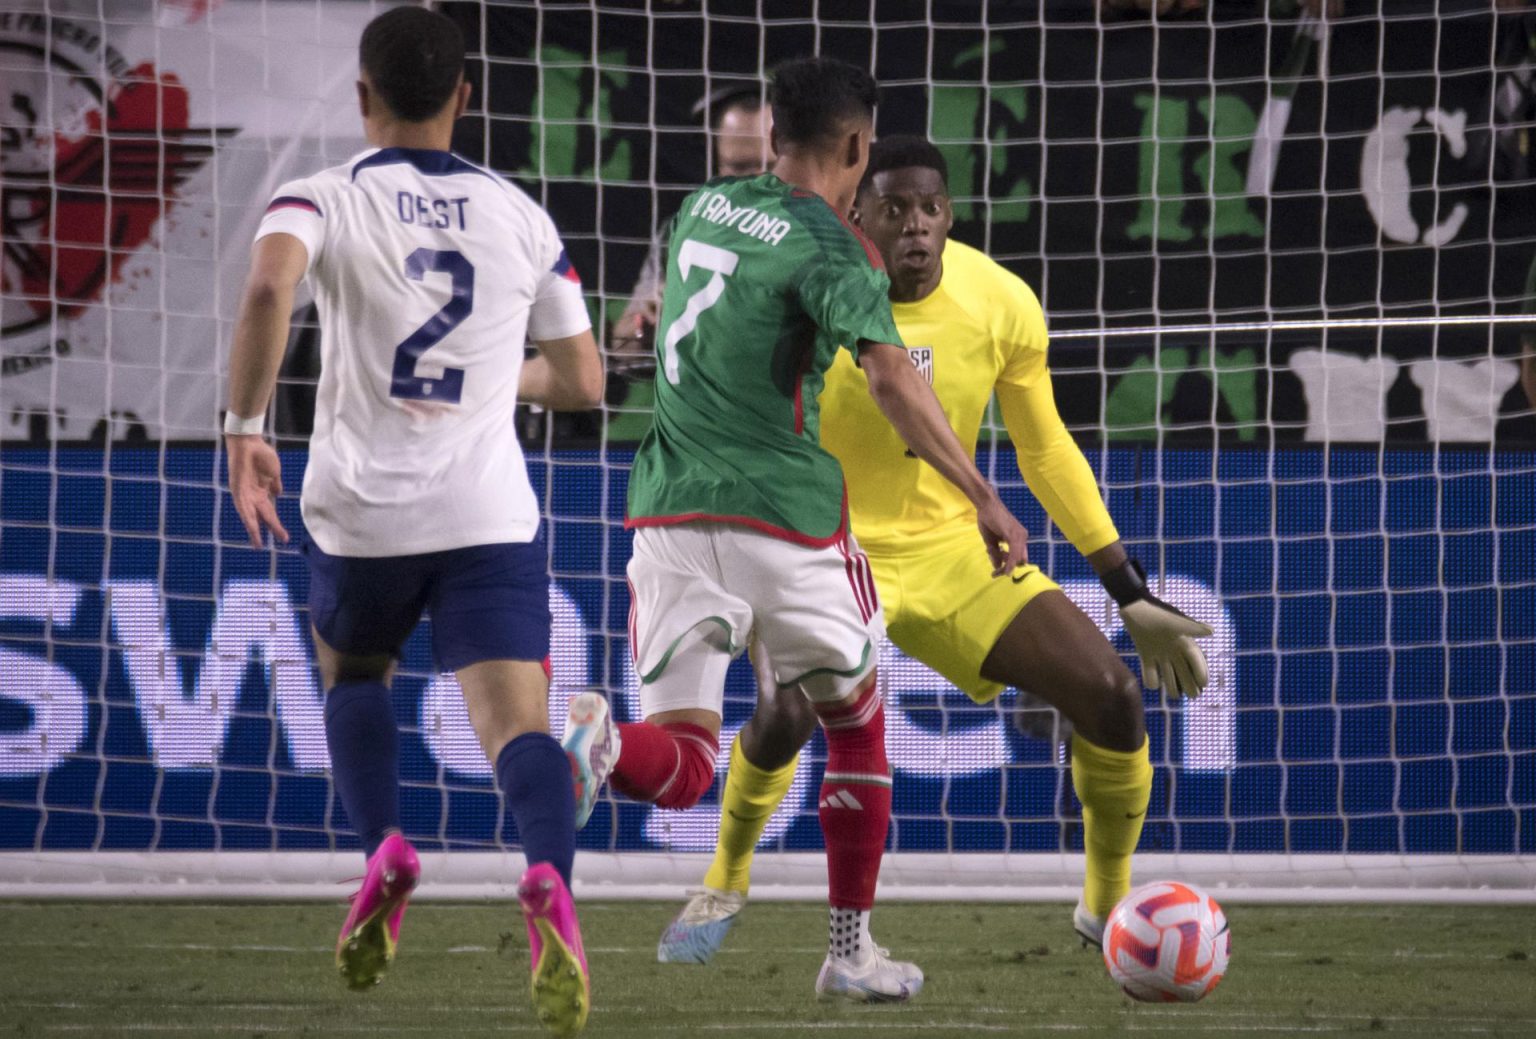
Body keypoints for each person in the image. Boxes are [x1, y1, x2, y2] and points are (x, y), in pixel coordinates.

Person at [652, 136, 1214, 966]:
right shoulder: (813, 284)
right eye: (893, 209)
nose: (915, 226)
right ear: (858, 215)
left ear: (950, 213)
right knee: (786, 713)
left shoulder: (1001, 300)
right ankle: (726, 877)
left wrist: (1124, 584)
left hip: (957, 555)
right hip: (825, 546)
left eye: (930, 208)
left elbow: (1045, 447)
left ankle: (1106, 909)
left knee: (1112, 696)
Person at [560, 60, 1030, 1003]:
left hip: (665, 512)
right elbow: (895, 379)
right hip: (785, 515)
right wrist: (983, 492)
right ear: (858, 149)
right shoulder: (835, 249)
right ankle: (850, 951)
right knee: (856, 720)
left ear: (772, 133)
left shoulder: (699, 209)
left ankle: (603, 747)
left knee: (687, 762)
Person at [222, 8, 602, 1035]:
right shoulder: (521, 214)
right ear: (465, 97)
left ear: (362, 96)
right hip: (486, 510)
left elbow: (267, 285)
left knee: (355, 674)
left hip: (362, 513)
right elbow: (583, 379)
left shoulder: (325, 194)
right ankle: (550, 881)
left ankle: (386, 845)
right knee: (519, 725)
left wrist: (244, 428)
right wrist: (493, 379)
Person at [608, 82, 774, 366]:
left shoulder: (828, 232)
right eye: (740, 168)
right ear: (714, 165)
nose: (758, 182)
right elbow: (624, 347)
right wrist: (646, 324)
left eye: (771, 167)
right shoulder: (683, 230)